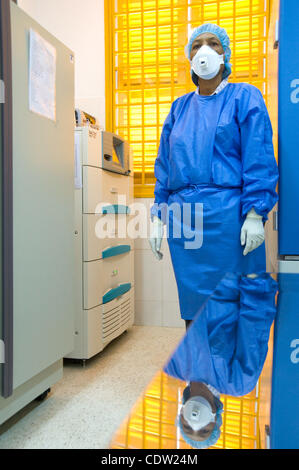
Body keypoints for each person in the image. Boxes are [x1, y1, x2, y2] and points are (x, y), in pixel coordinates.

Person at [148, 23, 279, 324]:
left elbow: (259, 156)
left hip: (229, 221)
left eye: (213, 44)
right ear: (188, 56)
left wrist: (255, 214)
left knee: (233, 309)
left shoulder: (244, 97)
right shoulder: (178, 108)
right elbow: (165, 166)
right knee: (195, 312)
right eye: (196, 45)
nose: (204, 50)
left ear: (225, 55)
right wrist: (157, 216)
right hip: (185, 221)